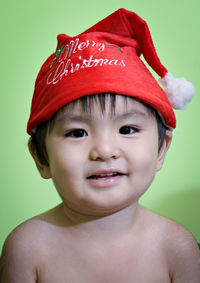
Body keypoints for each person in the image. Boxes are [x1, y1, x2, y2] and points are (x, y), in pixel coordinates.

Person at [0, 8, 200, 283]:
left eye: (127, 129)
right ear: (41, 157)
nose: (105, 150)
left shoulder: (177, 248)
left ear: (161, 149)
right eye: (77, 133)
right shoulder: (27, 249)